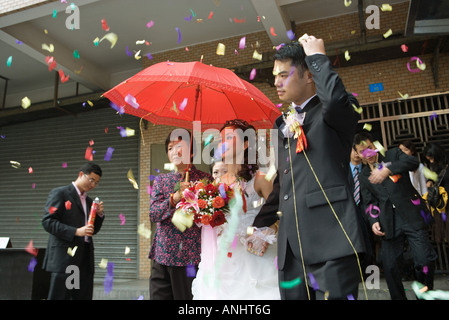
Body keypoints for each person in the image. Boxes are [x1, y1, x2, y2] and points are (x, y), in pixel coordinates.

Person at [252, 36, 366, 300]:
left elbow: (335, 101)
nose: (277, 82)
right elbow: (284, 180)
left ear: (309, 76)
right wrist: (263, 224)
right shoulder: (282, 124)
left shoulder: (337, 110)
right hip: (291, 248)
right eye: (275, 76)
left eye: (284, 75)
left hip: (333, 240)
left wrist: (317, 57)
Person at [192, 119, 280, 300]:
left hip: (254, 256)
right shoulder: (216, 183)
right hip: (224, 260)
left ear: (246, 143)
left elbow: (281, 211)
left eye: (229, 137)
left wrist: (268, 231)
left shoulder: (260, 178)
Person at [354, 131, 438, 299]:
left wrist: (388, 169)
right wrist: (373, 220)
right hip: (389, 222)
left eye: (369, 148)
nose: (367, 154)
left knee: (424, 261)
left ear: (375, 145)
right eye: (362, 151)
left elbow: (413, 162)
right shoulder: (363, 175)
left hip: (411, 215)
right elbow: (369, 202)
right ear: (357, 153)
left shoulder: (393, 154)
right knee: (390, 266)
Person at [149, 128, 213, 300]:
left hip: (189, 257)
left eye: (179, 146)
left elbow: (211, 217)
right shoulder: (161, 180)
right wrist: (174, 198)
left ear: (191, 152)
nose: (173, 151)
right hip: (162, 255)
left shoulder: (205, 180)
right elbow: (154, 214)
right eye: (170, 148)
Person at [42, 163, 105, 300]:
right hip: (65, 258)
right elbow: (48, 222)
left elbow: (91, 231)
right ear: (81, 174)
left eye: (97, 182)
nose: (93, 185)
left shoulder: (89, 201)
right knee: (61, 296)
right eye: (91, 180)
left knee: (82, 296)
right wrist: (76, 231)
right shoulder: (61, 193)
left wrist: (99, 215)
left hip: (84, 258)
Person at [422, 142, 449, 246]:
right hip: (441, 204)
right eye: (429, 159)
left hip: (446, 201)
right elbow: (434, 177)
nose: (431, 161)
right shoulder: (434, 166)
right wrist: (430, 181)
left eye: (432, 158)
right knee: (443, 233)